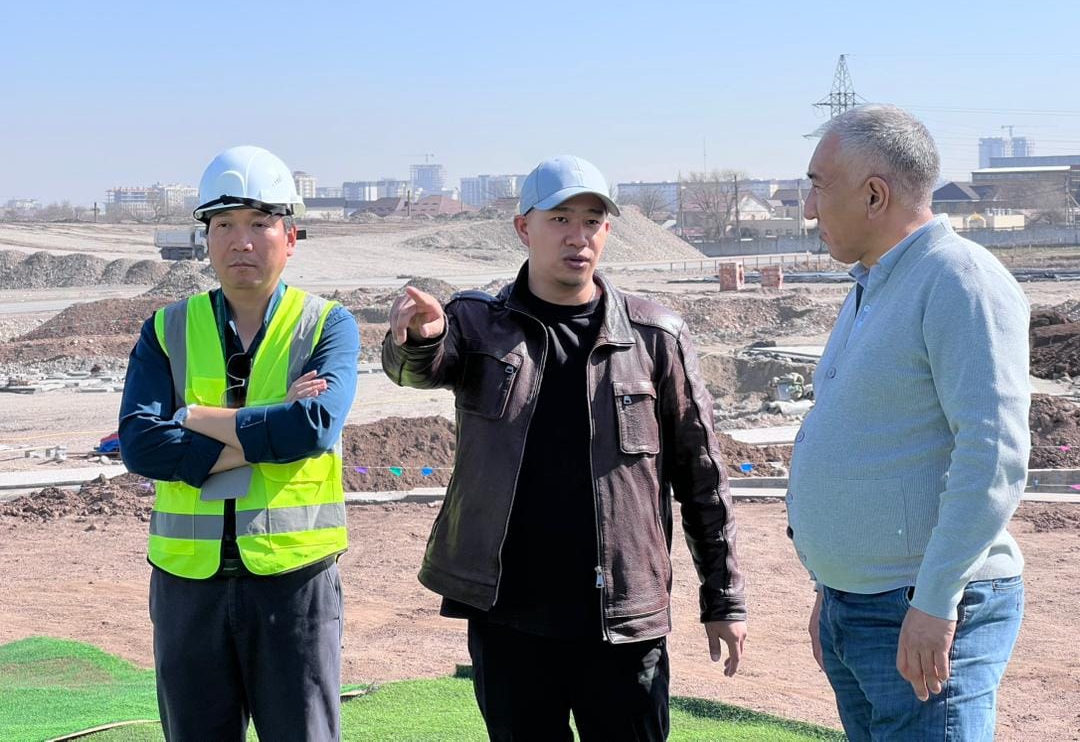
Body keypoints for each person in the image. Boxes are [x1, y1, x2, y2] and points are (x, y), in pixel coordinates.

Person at [382, 154, 747, 741]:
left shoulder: (655, 337)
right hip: (510, 619)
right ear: (523, 228)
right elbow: (416, 369)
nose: (578, 237)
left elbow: (702, 476)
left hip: (622, 620)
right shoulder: (478, 325)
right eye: (560, 220)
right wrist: (420, 339)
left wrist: (723, 599)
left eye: (592, 221)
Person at [788, 105, 1030, 741]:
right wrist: (832, 589)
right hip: (863, 608)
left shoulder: (960, 280)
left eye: (818, 186)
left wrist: (936, 601)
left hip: (921, 610)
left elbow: (994, 455)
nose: (808, 209)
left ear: (875, 195)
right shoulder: (876, 283)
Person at [118, 145, 359, 741]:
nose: (241, 241)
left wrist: (196, 417)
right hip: (188, 586)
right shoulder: (167, 328)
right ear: (206, 237)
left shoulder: (326, 325)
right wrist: (268, 429)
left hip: (294, 579)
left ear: (290, 237)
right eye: (224, 224)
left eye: (259, 223)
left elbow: (314, 426)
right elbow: (141, 445)